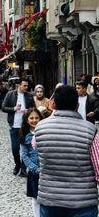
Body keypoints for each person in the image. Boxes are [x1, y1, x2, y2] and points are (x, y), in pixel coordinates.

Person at [35, 85, 98, 217]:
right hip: (83, 201)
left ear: (53, 104)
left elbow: (36, 146)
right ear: (77, 105)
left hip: (50, 199)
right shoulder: (91, 130)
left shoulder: (40, 128)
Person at [2, 79, 35, 175]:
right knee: (15, 148)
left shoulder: (29, 96)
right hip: (14, 125)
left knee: (27, 148)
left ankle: (24, 168)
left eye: (27, 86)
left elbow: (33, 109)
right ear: (19, 85)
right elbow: (3, 107)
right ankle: (17, 164)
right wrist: (14, 108)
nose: (26, 87)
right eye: (24, 85)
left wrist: (28, 111)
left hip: (26, 126)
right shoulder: (10, 94)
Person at [20, 108, 42, 217]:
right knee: (35, 198)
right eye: (31, 118)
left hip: (46, 170)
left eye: (37, 118)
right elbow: (24, 155)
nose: (34, 120)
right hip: (34, 171)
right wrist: (34, 168)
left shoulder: (44, 131)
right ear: (27, 120)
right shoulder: (25, 135)